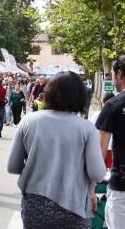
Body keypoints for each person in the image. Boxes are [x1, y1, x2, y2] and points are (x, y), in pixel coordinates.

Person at [8, 71, 106, 228]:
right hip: (75, 206)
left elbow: (12, 166)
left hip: (35, 205)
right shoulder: (86, 129)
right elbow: (98, 173)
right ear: (79, 96)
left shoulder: (28, 121)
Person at [96, 55, 125, 229]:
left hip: (121, 186)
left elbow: (100, 151)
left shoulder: (113, 105)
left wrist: (91, 184)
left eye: (113, 73)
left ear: (119, 73)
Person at [89, 92, 115, 169]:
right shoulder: (116, 113)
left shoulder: (97, 114)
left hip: (99, 147)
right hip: (111, 148)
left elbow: (91, 129)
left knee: (98, 168)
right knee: (110, 169)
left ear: (102, 101)